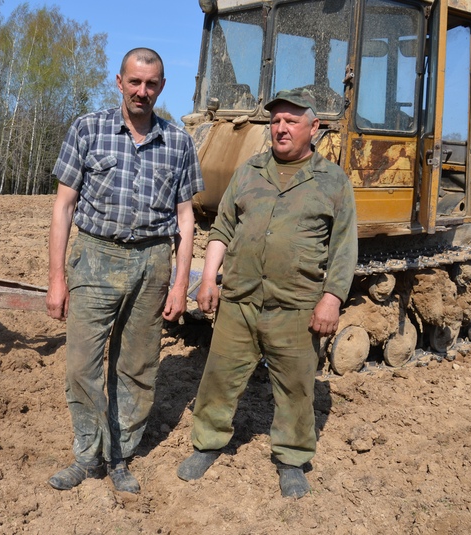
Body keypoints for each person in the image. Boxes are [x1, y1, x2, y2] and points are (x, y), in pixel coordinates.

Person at [176, 87, 357, 498]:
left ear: (314, 127)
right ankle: (207, 443)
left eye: (291, 121)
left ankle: (292, 459)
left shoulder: (333, 182)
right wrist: (208, 278)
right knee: (219, 377)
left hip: (295, 306)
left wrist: (331, 299)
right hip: (239, 301)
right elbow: (223, 227)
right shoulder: (249, 171)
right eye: (275, 121)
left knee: (295, 388)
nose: (281, 128)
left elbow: (345, 248)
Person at [46, 48, 204, 494]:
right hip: (95, 255)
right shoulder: (88, 129)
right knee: (82, 365)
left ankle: (120, 457)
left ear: (162, 87)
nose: (142, 91)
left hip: (153, 261)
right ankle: (86, 455)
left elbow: (186, 218)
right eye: (134, 82)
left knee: (136, 366)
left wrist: (179, 284)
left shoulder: (178, 142)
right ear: (119, 82)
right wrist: (57, 278)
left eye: (151, 84)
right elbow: (63, 206)